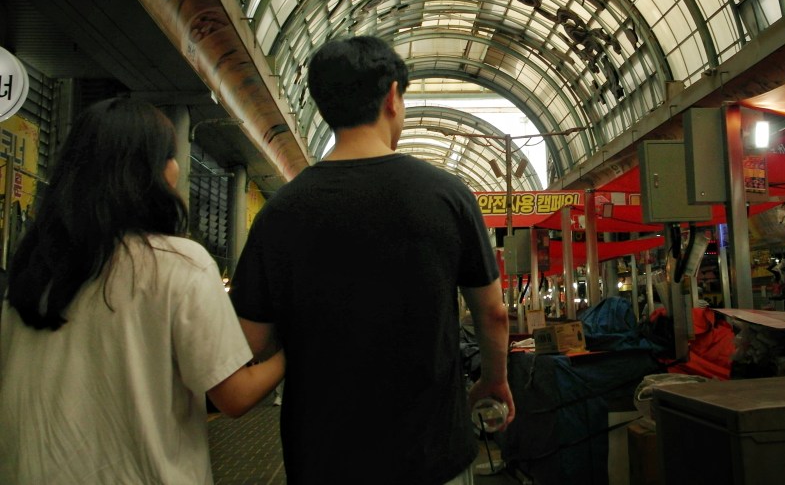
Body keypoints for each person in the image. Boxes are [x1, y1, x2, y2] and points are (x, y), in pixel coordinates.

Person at [230, 35, 514, 485]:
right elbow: (493, 313)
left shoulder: (281, 211)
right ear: (392, 98)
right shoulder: (447, 195)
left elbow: (250, 343)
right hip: (432, 452)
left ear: (324, 105)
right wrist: (494, 381)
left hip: (323, 456)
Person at [0, 98, 284, 484]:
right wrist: (294, 353)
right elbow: (234, 396)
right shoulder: (180, 264)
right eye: (171, 156)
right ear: (154, 171)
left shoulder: (33, 269)